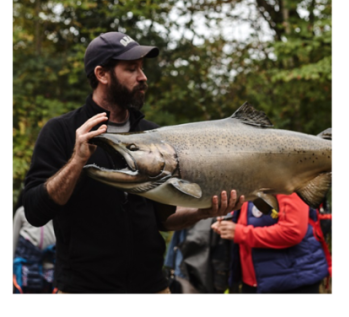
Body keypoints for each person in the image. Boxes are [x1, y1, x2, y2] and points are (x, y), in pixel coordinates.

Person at [20, 32, 245, 293]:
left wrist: (203, 212)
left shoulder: (156, 136)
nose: (143, 77)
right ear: (102, 74)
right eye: (131, 69)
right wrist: (77, 160)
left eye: (142, 68)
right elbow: (35, 212)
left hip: (152, 288)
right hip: (83, 292)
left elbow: (163, 220)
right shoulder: (61, 131)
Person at [212, 192, 329, 293]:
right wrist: (230, 220)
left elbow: (292, 231)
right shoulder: (253, 178)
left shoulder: (285, 179)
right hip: (255, 281)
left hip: (291, 281)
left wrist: (239, 233)